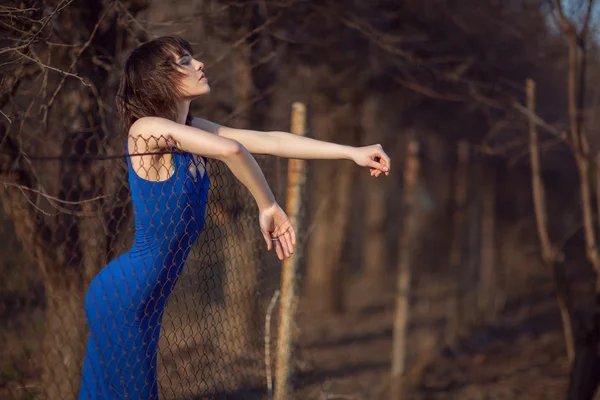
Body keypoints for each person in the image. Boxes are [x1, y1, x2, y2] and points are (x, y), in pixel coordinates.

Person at [78, 35, 391, 400]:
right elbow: (231, 150)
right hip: (123, 298)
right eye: (184, 62)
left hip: (149, 300)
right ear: (156, 80)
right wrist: (268, 205)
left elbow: (272, 141)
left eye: (192, 58)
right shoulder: (144, 130)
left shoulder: (191, 130)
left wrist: (352, 152)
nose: (199, 65)